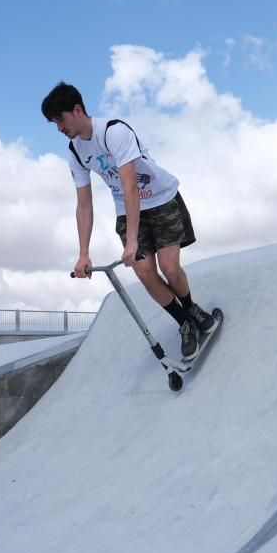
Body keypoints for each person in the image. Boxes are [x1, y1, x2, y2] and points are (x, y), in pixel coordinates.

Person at [42, 81, 216, 360]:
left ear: (77, 110)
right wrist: (83, 253)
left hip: (161, 199)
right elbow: (84, 205)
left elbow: (131, 185)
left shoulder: (114, 132)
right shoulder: (75, 152)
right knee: (145, 273)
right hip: (127, 211)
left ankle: (191, 308)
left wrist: (132, 241)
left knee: (169, 268)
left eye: (60, 120)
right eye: (54, 124)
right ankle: (185, 322)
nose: (59, 128)